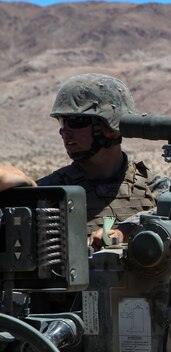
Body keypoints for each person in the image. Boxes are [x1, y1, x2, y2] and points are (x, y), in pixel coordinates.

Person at [38, 73, 161, 234]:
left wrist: (125, 232)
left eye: (76, 121)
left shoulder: (155, 188)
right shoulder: (49, 192)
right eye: (62, 121)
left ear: (111, 129)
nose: (64, 132)